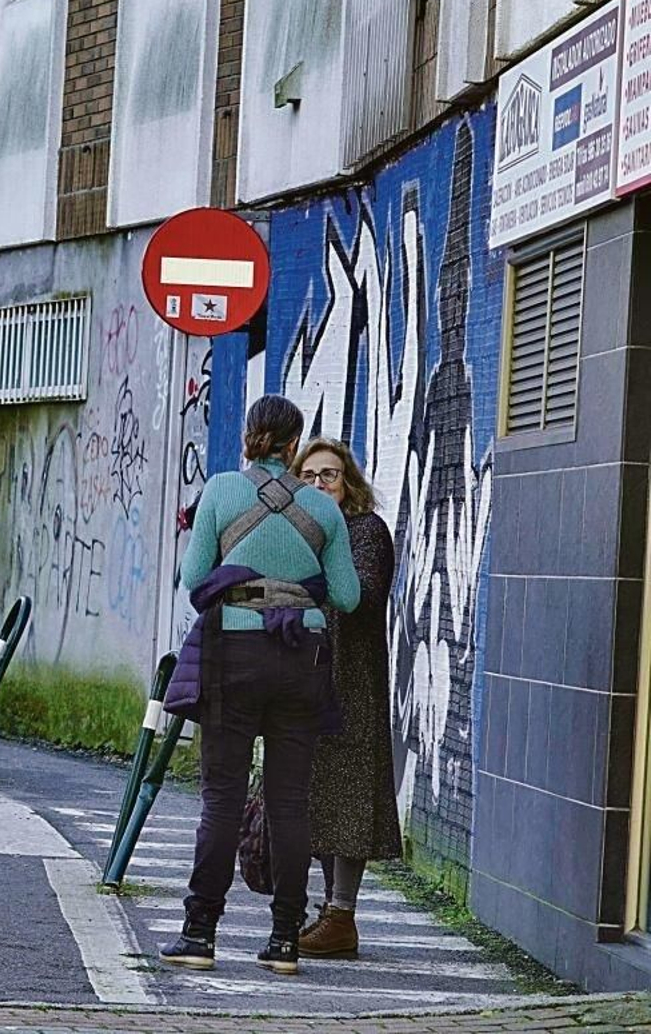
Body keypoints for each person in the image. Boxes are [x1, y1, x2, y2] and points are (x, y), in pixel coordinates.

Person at [159, 395, 361, 977]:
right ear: (295, 446)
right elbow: (346, 597)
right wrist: (299, 582)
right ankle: (284, 944)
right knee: (289, 803)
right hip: (302, 659)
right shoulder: (323, 511)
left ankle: (199, 934)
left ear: (249, 436)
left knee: (221, 799)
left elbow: (194, 578)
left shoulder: (221, 491)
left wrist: (244, 571)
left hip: (234, 656)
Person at [291, 437, 401, 958]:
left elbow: (363, 594)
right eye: (308, 476)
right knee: (315, 793)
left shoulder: (365, 531)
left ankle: (342, 914)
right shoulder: (300, 533)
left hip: (352, 681)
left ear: (347, 482)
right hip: (306, 680)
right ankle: (327, 914)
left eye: (328, 475)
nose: (318, 484)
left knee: (350, 794)